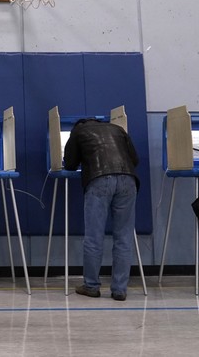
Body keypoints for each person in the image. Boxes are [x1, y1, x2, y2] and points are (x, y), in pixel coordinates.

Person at [63, 117, 139, 302]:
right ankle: (120, 289)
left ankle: (91, 286)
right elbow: (134, 159)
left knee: (94, 237)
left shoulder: (78, 132)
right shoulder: (117, 128)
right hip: (128, 180)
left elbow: (70, 164)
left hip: (99, 180)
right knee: (123, 237)